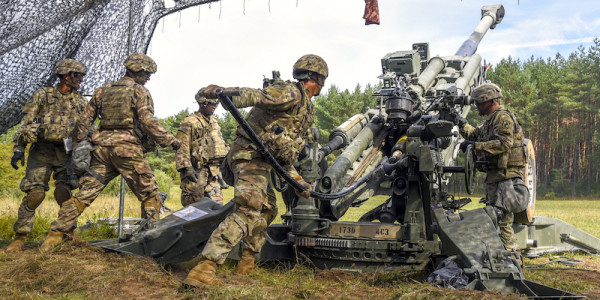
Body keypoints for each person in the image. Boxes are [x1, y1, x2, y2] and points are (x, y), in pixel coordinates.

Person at [183, 54, 328, 286]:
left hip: (263, 161)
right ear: (318, 78)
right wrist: (224, 92)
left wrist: (298, 181)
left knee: (268, 209)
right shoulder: (291, 92)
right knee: (248, 211)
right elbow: (258, 96)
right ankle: (204, 269)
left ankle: (246, 262)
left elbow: (283, 154)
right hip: (250, 156)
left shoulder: (304, 108)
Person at [40, 53, 181, 252]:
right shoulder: (140, 91)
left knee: (84, 194)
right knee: (150, 195)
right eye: (147, 73)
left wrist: (75, 148)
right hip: (127, 150)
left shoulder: (102, 90)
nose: (148, 77)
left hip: (101, 151)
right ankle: (150, 244)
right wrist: (170, 141)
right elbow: (148, 121)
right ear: (138, 70)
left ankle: (54, 237)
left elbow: (84, 122)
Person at [5, 59, 88, 252]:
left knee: (64, 193)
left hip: (66, 153)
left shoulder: (79, 101)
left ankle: (67, 233)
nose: (81, 80)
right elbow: (25, 123)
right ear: (66, 76)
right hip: (41, 151)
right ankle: (20, 236)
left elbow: (85, 127)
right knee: (35, 194)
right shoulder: (43, 95)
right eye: (78, 76)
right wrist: (19, 150)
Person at [457, 82, 528, 263]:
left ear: (488, 100)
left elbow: (504, 143)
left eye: (479, 103)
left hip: (506, 179)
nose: (477, 106)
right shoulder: (491, 121)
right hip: (497, 178)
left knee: (502, 223)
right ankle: (502, 261)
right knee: (494, 221)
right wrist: (460, 122)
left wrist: (476, 146)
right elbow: (473, 134)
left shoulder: (502, 118)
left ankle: (514, 263)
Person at [176, 94, 229, 205]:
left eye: (216, 104)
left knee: (216, 206)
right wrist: (187, 168)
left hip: (213, 172)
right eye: (211, 104)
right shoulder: (190, 122)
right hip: (197, 171)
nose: (215, 106)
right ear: (202, 104)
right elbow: (181, 146)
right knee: (193, 208)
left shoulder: (214, 122)